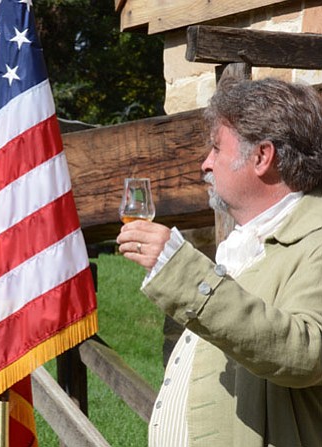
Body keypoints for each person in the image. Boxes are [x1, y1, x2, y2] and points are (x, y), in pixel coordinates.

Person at [117, 77, 322, 447]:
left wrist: (181, 270)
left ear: (262, 156)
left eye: (215, 148)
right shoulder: (246, 243)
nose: (205, 164)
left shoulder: (317, 238)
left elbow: (307, 352)